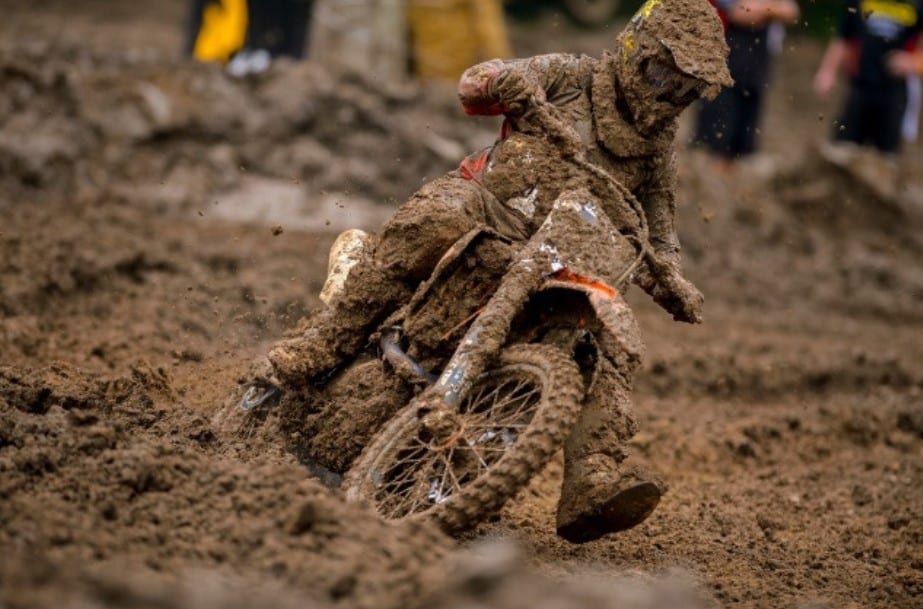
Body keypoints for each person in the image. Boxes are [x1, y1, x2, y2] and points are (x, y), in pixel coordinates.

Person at [246, 0, 732, 543]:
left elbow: (659, 233)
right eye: (662, 73)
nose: (668, 94)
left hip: (559, 256)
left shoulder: (658, 150)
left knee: (606, 344)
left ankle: (592, 479)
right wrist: (508, 83)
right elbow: (477, 82)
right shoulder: (574, 76)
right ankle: (325, 342)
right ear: (634, 50)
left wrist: (674, 281)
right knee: (433, 221)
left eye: (686, 89)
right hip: (489, 208)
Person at [692, 0, 800, 164]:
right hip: (722, 71)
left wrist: (763, 10)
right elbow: (741, 13)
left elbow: (792, 12)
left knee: (743, 148)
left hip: (755, 72)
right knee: (714, 146)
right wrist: (773, 10)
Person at [813, 0, 923, 155]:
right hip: (861, 86)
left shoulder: (916, 5)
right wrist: (827, 71)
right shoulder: (859, 2)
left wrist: (912, 63)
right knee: (841, 147)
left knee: (888, 155)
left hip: (895, 91)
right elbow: (843, 37)